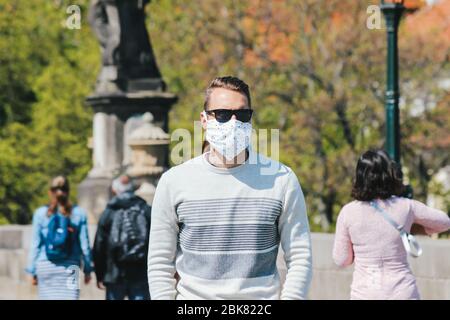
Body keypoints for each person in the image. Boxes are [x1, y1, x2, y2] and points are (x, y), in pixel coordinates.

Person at [148, 76, 313, 300]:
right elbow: (160, 263)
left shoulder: (282, 180)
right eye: (223, 115)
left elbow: (300, 256)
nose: (234, 123)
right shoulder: (174, 182)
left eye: (243, 115)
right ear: (204, 120)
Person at [333, 149, 450, 300]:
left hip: (365, 292)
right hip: (403, 291)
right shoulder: (406, 206)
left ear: (360, 177)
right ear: (390, 175)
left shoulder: (348, 212)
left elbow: (341, 260)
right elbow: (444, 222)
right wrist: (413, 227)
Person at [25, 176, 93, 300]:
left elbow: (35, 245)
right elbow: (85, 246)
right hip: (72, 266)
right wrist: (88, 269)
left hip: (45, 265)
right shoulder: (79, 214)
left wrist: (31, 270)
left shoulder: (40, 213)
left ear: (50, 192)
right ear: (68, 191)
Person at [93, 175, 151, 300]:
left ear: (115, 190)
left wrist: (100, 274)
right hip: (140, 272)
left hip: (115, 273)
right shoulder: (145, 209)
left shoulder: (109, 212)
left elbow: (99, 244)